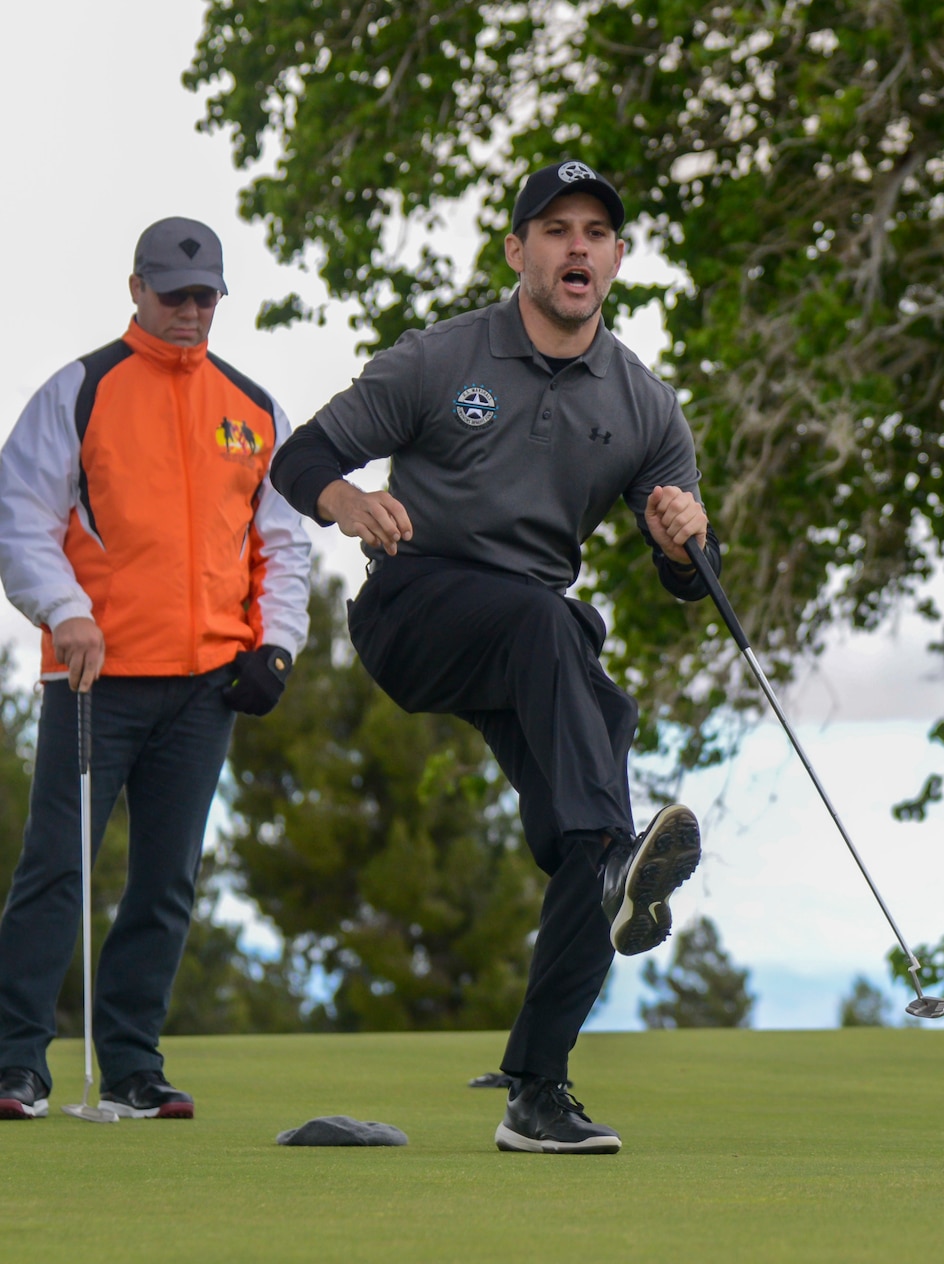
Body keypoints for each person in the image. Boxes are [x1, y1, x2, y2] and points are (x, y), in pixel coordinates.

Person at [269, 160, 713, 1156]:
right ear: (518, 252)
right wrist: (347, 503)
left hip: (530, 642)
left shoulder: (644, 405)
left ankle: (537, 1090)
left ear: (617, 258)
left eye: (595, 232)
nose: (576, 248)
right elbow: (298, 458)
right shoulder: (439, 359)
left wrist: (687, 542)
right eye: (554, 230)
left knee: (592, 832)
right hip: (415, 609)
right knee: (561, 643)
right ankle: (607, 859)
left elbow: (688, 578)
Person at [0, 218, 310, 1121]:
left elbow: (281, 544)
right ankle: (16, 1063)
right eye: (174, 294)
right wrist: (67, 612)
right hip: (94, 678)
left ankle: (134, 1066)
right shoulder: (82, 389)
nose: (190, 310)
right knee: (57, 869)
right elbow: (21, 519)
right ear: (136, 289)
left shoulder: (255, 410)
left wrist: (275, 645)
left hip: (205, 687)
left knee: (167, 880)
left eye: (204, 295)